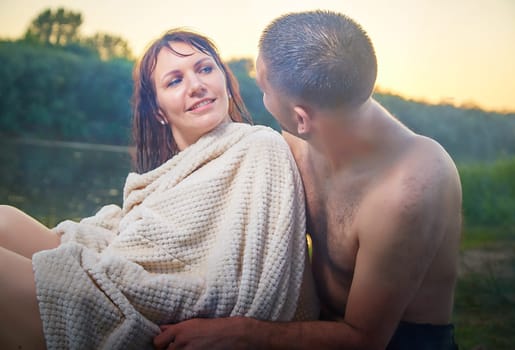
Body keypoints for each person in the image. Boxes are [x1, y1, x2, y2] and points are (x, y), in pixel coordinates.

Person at [154, 10, 462, 350]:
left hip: (398, 341)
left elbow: (365, 339)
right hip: (316, 323)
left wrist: (239, 332)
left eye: (264, 90)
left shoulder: (409, 189)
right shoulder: (296, 144)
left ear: (301, 118)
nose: (263, 101)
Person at [0, 29, 318, 349]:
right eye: (175, 81)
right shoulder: (178, 169)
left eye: (205, 69)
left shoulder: (258, 146)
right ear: (158, 112)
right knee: (4, 219)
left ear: (225, 81)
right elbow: (143, 240)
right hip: (120, 268)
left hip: (148, 312)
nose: (196, 86)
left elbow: (244, 276)